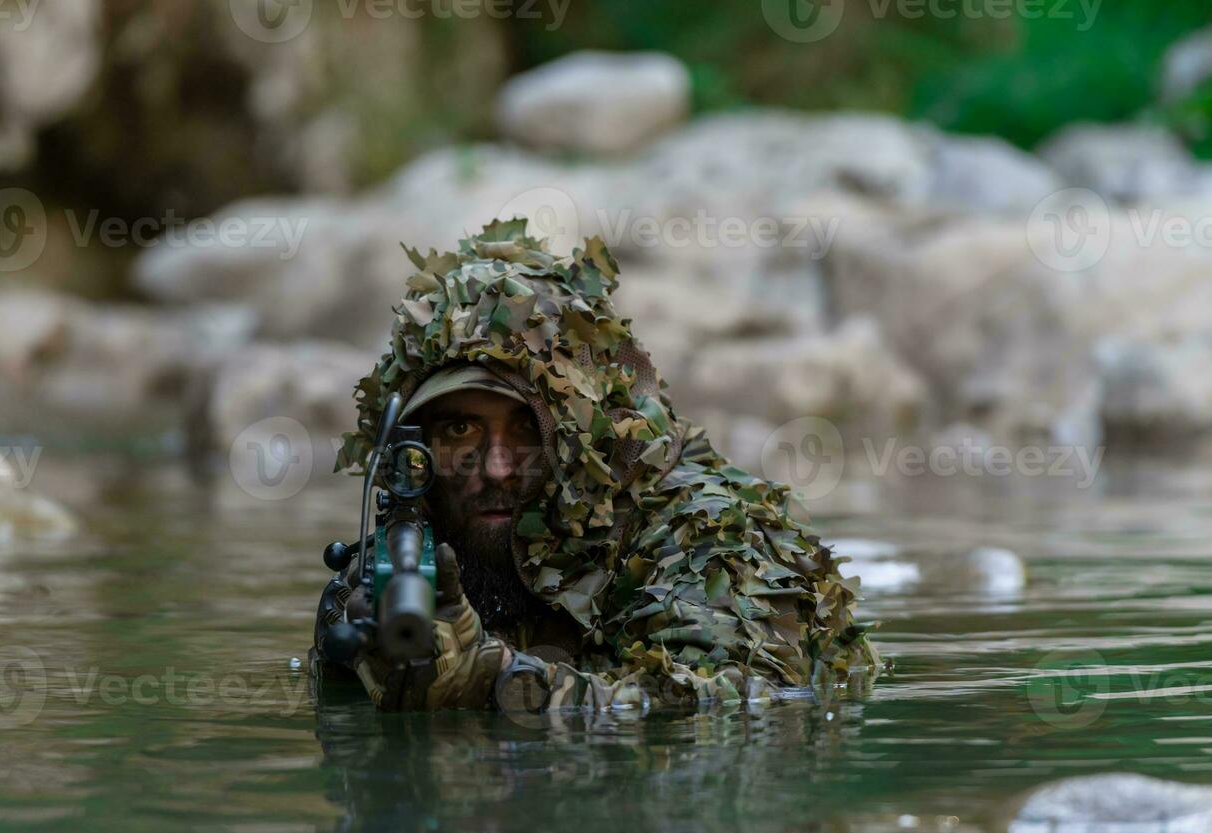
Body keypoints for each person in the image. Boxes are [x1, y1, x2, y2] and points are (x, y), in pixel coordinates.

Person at [311, 219, 877, 714]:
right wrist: (359, 654)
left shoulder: (708, 531)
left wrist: (491, 683)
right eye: (460, 430)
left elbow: (742, 703)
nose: (498, 467)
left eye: (528, 428)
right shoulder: (441, 539)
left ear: (586, 436)